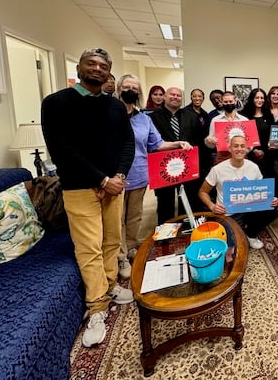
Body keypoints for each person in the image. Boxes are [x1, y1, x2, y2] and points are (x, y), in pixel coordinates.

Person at [41, 47, 135, 348]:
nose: (97, 69)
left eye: (103, 65)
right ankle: (97, 308)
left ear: (109, 72)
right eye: (90, 63)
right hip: (80, 188)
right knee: (89, 247)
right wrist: (102, 180)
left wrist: (118, 176)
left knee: (110, 242)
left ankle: (107, 289)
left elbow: (127, 144)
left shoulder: (116, 107)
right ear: (79, 67)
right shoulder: (56, 103)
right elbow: (62, 150)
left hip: (113, 188)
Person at [115, 75, 192, 278]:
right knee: (117, 220)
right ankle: (120, 257)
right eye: (126, 86)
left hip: (139, 174)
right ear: (118, 89)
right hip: (115, 178)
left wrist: (178, 144)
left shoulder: (143, 118)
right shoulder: (110, 114)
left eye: (134, 87)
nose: (130, 90)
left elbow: (156, 144)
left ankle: (130, 247)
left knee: (134, 217)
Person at [199, 133, 278, 249]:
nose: (239, 149)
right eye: (235, 146)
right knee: (235, 246)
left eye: (242, 146)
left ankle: (251, 234)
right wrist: (212, 206)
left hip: (249, 209)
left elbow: (262, 191)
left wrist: (271, 199)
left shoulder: (253, 167)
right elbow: (202, 192)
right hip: (228, 212)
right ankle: (240, 232)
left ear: (247, 149)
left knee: (274, 207)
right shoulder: (217, 169)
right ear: (229, 149)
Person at [150, 87, 200, 222]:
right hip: (164, 166)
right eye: (172, 94)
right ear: (165, 97)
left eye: (178, 95)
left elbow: (197, 140)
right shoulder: (152, 117)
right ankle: (166, 231)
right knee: (165, 201)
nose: (175, 97)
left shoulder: (192, 116)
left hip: (187, 165)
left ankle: (186, 226)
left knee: (187, 198)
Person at [204, 91, 248, 165]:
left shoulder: (244, 120)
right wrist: (208, 140)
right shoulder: (215, 120)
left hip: (241, 157)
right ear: (222, 102)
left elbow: (250, 143)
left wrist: (241, 150)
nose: (228, 103)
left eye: (230, 101)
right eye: (226, 102)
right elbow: (211, 145)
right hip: (222, 158)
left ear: (235, 101)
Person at [241, 88, 275, 178]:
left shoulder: (268, 115)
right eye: (257, 98)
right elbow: (242, 136)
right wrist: (253, 151)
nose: (260, 100)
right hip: (249, 155)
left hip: (267, 155)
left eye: (262, 98)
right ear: (252, 99)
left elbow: (272, 134)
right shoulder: (244, 116)